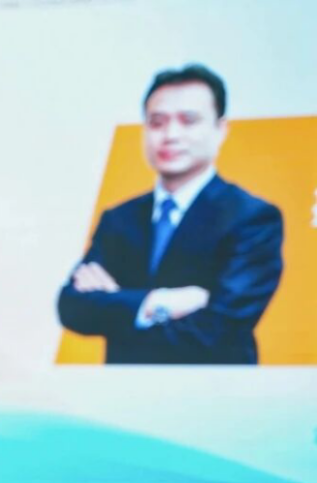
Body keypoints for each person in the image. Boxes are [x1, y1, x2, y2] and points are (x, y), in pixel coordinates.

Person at [57, 63, 284, 364]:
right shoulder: (120, 218)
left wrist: (118, 304)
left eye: (188, 121)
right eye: (157, 122)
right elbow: (72, 307)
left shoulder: (252, 218)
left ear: (220, 130)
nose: (170, 135)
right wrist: (160, 302)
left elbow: (218, 329)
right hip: (124, 389)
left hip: (214, 388)